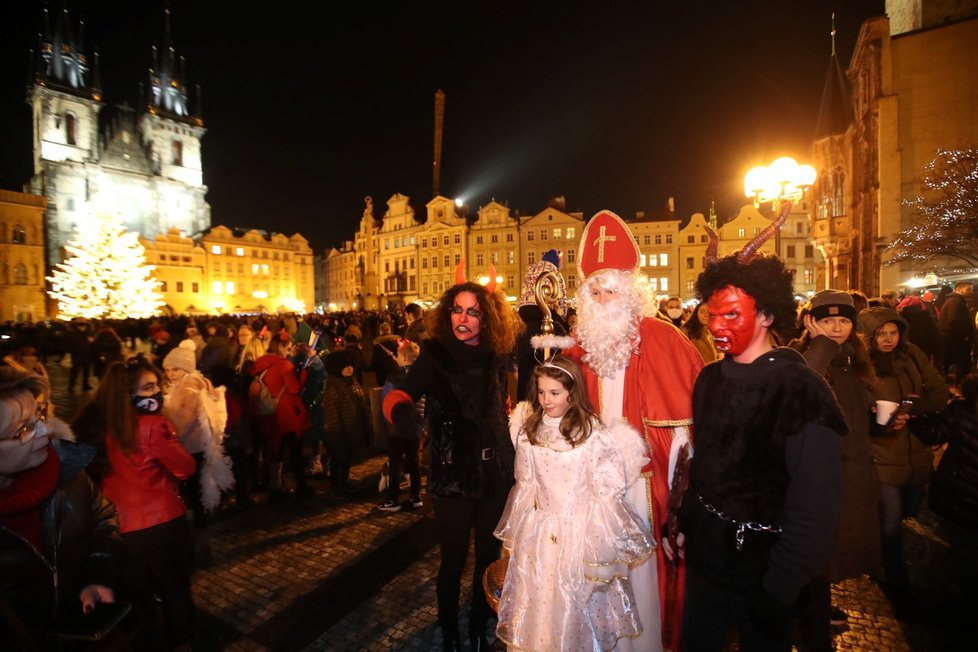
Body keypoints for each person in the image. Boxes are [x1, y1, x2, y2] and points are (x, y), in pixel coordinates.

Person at [671, 241, 848, 652]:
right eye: (712, 315)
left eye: (731, 314)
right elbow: (709, 466)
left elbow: (816, 508)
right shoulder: (709, 379)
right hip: (706, 566)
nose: (716, 327)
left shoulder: (801, 390)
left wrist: (780, 589)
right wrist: (683, 522)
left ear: (767, 314)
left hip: (766, 573)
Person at [563, 210, 703, 652]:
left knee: (642, 579)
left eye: (612, 290)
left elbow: (690, 427)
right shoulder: (579, 347)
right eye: (596, 291)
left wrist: (673, 469)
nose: (603, 299)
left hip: (645, 489)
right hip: (592, 487)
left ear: (631, 293)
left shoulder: (664, 338)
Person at [383, 276, 522, 650]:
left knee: (488, 558)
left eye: (473, 312)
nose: (463, 318)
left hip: (494, 474)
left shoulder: (496, 354)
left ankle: (478, 625)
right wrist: (401, 416)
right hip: (453, 475)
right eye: (457, 309)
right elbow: (399, 394)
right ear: (448, 314)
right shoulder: (435, 354)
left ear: (486, 319)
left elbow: (503, 407)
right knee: (453, 560)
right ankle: (449, 630)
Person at [494, 355, 655, 651]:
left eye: (554, 393)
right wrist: (516, 538)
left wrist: (597, 547)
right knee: (540, 603)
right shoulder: (530, 431)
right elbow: (525, 485)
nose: (546, 400)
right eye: (541, 392)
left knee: (575, 606)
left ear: (572, 391)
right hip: (539, 535)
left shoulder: (592, 434)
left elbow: (605, 493)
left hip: (578, 534)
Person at [73, 356, 197, 650]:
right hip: (161, 522)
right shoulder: (152, 425)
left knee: (138, 594)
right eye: (149, 387)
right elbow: (185, 468)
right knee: (175, 588)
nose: (156, 392)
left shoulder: (95, 423)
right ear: (127, 393)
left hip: (118, 526)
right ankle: (182, 642)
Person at [0, 368, 120, 648]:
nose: (48, 429)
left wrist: (98, 575)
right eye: (24, 428)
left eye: (39, 415)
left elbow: (103, 518)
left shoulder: (66, 472)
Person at [789, 290, 881, 649]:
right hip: (820, 476)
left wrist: (884, 421)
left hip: (852, 471)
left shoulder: (853, 359)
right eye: (828, 320)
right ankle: (814, 633)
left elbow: (860, 411)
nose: (837, 327)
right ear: (812, 322)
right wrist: (821, 344)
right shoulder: (802, 356)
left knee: (829, 557)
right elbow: (806, 382)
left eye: (843, 320)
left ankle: (815, 613)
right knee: (817, 557)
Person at [857, 306, 950, 589]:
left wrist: (914, 407)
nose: (888, 339)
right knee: (891, 516)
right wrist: (875, 417)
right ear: (869, 338)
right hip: (881, 452)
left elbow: (940, 392)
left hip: (915, 452)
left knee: (909, 508)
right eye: (881, 334)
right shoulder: (861, 363)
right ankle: (892, 573)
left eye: (893, 332)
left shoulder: (912, 355)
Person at [162, 339, 233, 566]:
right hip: (195, 449)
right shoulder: (191, 384)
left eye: (175, 369)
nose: (170, 374)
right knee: (196, 497)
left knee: (193, 498)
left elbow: (180, 425)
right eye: (167, 370)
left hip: (191, 450)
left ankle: (199, 549)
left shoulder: (190, 389)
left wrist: (161, 409)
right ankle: (199, 546)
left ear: (186, 369)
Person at [913, 372, 978, 603]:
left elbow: (934, 433)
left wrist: (915, 414)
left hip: (959, 496)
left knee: (963, 555)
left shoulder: (963, 409)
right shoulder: (963, 409)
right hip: (962, 497)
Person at [250, 331, 313, 501]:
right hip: (285, 414)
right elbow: (294, 388)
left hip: (269, 414)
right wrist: (304, 372)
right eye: (289, 347)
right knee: (295, 452)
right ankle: (302, 485)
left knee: (274, 451)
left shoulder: (263, 362)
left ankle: (275, 487)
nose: (290, 350)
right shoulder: (283, 365)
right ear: (280, 347)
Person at [515, 250, 571, 402]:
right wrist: (561, 318)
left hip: (526, 321)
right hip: (545, 319)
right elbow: (561, 301)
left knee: (526, 375)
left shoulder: (533, 270)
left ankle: (525, 408)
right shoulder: (553, 273)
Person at [377, 340, 424, 512]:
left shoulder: (394, 376)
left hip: (396, 428)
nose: (395, 357)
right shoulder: (421, 375)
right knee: (414, 461)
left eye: (397, 354)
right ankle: (416, 496)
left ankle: (393, 499)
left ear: (403, 356)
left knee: (395, 462)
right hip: (416, 427)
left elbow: (386, 402)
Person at [322, 348, 370, 499]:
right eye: (346, 366)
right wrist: (337, 437)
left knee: (346, 460)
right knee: (338, 460)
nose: (351, 369)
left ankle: (345, 481)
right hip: (340, 434)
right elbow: (332, 419)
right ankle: (337, 486)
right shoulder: (333, 389)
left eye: (351, 365)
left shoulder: (352, 383)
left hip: (352, 431)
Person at [939, 280, 975, 381]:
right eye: (968, 289)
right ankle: (962, 384)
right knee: (963, 362)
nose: (971, 291)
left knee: (948, 360)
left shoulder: (953, 300)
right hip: (956, 339)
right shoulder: (956, 302)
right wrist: (965, 335)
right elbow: (954, 320)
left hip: (951, 337)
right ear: (959, 289)